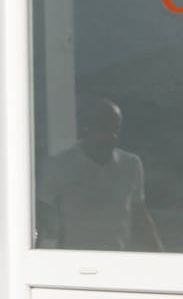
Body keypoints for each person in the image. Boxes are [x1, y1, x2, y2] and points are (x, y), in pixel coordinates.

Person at [37, 97, 163, 251]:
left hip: (117, 261)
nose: (112, 135)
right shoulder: (59, 165)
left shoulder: (131, 165)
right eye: (104, 127)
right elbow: (41, 215)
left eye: (116, 128)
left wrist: (161, 256)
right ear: (86, 126)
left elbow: (140, 216)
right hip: (73, 262)